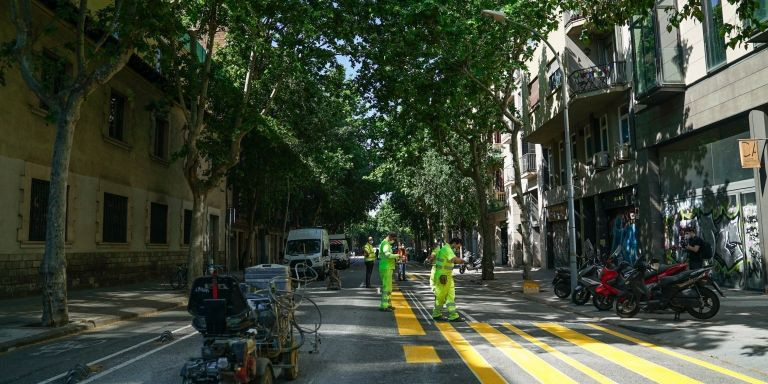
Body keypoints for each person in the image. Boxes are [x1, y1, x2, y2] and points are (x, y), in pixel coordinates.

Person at [432, 238, 466, 322]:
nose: (458, 248)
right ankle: (436, 314)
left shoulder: (447, 249)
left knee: (451, 295)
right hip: (442, 276)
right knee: (441, 296)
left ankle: (453, 315)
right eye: (458, 246)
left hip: (448, 276)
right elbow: (454, 260)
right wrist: (464, 261)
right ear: (454, 243)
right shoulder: (447, 249)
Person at [378, 232, 399, 312]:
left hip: (388, 267)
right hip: (386, 267)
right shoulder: (386, 244)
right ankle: (384, 306)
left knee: (389, 287)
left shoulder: (386, 243)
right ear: (390, 237)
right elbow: (388, 255)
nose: (393, 241)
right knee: (386, 287)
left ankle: (388, 304)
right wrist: (397, 255)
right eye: (393, 239)